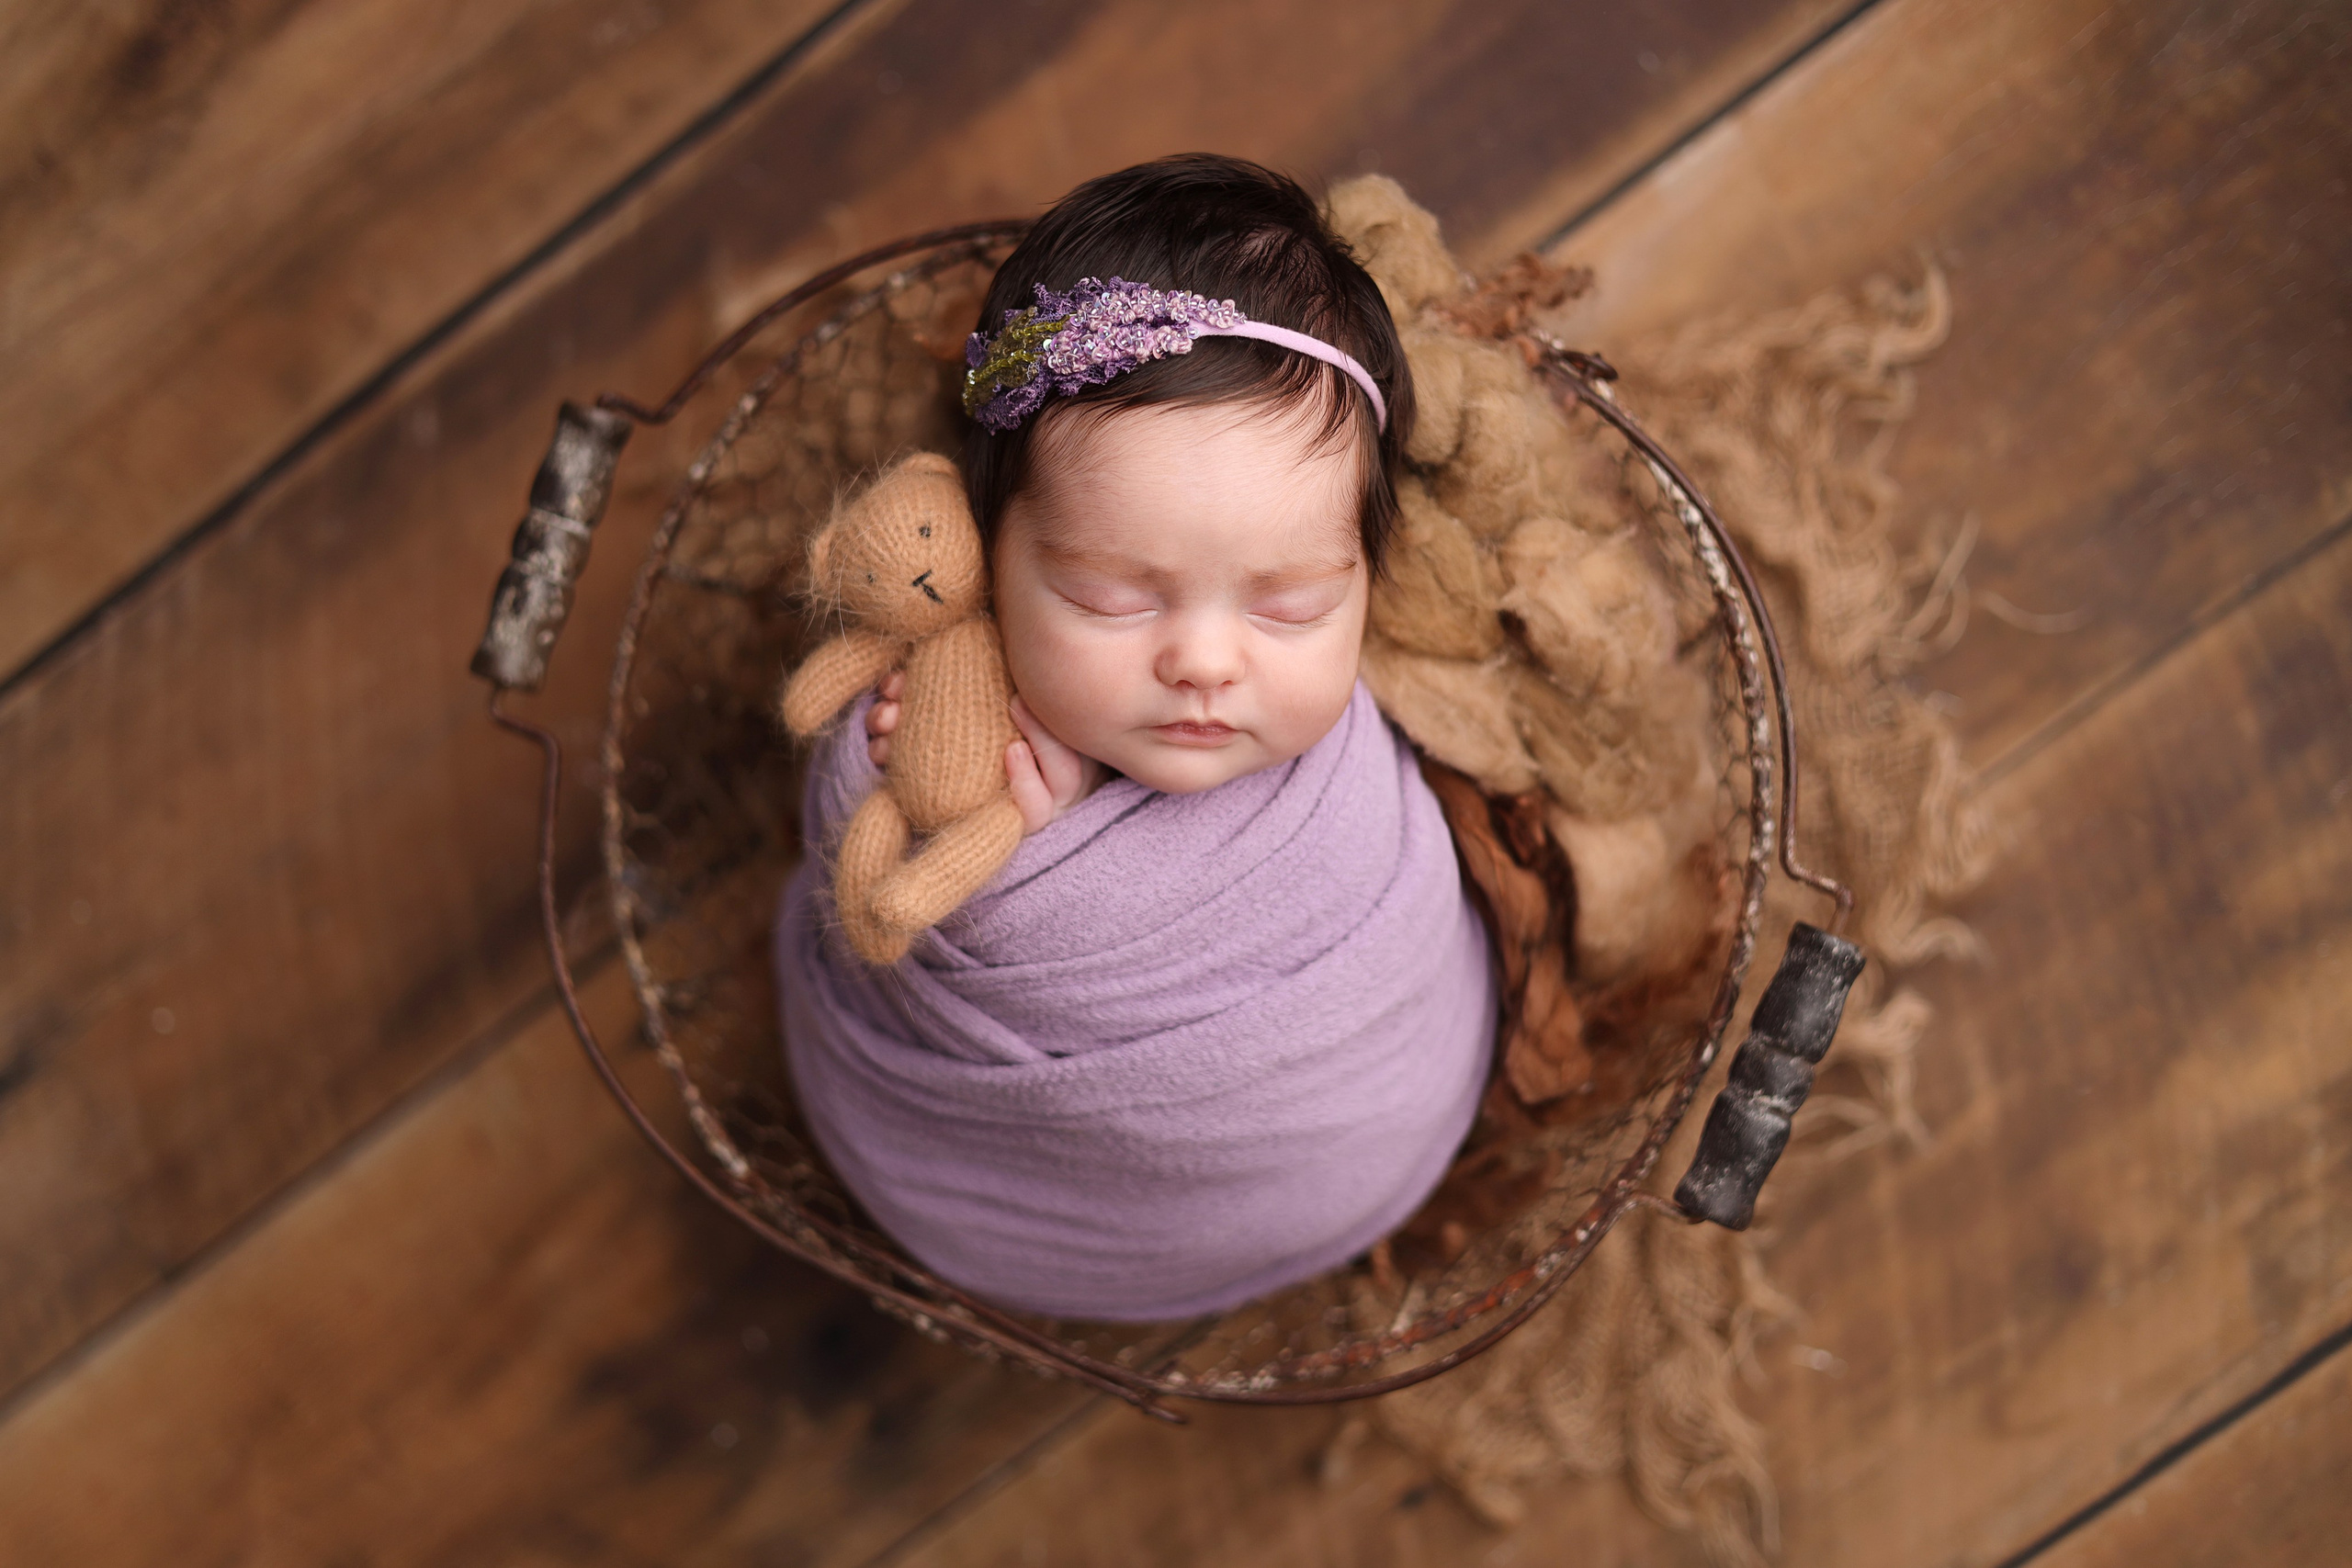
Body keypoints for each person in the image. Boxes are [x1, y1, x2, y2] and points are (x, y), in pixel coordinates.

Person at [775, 154, 1497, 1321]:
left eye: (1293, 604)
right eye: (1114, 597)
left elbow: (1395, 946)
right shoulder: (934, 697)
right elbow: (867, 884)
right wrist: (986, 828)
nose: (1205, 663)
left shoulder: (1342, 798)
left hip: (1362, 1132)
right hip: (991, 1180)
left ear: (1368, 576)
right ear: (985, 552)